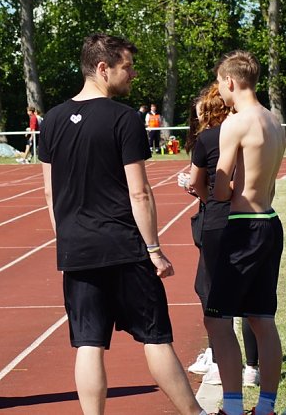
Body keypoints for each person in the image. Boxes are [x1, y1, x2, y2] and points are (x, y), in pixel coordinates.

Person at [38, 33, 209, 415]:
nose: (132, 74)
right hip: (124, 246)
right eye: (126, 67)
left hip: (77, 248)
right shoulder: (124, 119)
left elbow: (50, 195)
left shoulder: (50, 121)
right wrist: (154, 250)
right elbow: (140, 193)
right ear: (103, 69)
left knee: (87, 343)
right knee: (155, 337)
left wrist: (68, 238)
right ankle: (194, 414)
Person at [204, 51, 286, 415]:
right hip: (269, 221)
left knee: (217, 318)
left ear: (231, 81)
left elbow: (221, 189)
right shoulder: (274, 121)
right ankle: (265, 407)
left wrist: (206, 190)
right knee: (262, 318)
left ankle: (233, 407)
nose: (219, 91)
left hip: (243, 226)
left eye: (220, 84)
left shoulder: (235, 123)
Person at [180, 84, 260, 388]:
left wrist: (207, 195)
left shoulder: (211, 137)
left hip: (217, 219)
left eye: (201, 110)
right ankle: (252, 367)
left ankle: (220, 361)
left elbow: (202, 183)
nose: (197, 115)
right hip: (255, 216)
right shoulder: (257, 129)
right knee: (253, 300)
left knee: (212, 292)